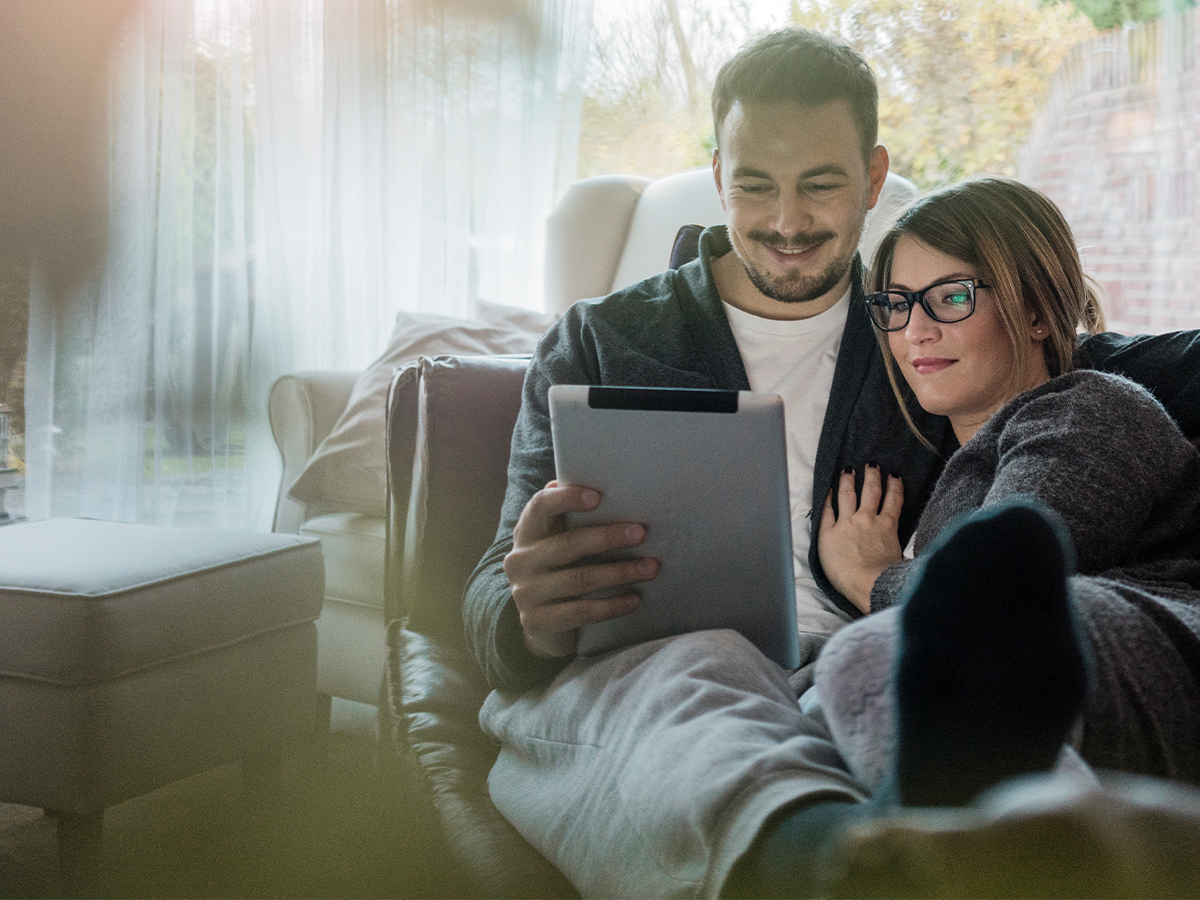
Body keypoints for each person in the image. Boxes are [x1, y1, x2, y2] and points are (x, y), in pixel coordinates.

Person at [463, 29, 1200, 898]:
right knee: (700, 670)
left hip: (866, 662)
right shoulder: (602, 341)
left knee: (906, 678)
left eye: (819, 185)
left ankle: (1017, 848)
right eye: (754, 187)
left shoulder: (919, 335)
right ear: (716, 177)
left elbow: (1076, 370)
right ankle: (844, 866)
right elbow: (491, 587)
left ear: (874, 178)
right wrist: (529, 614)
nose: (785, 222)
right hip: (660, 675)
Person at [812, 176, 1200, 804]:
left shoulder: (1088, 410)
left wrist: (871, 578)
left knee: (867, 659)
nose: (916, 330)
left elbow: (999, 596)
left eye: (952, 296)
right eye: (898, 303)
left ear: (1037, 311)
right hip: (1045, 679)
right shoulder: (947, 461)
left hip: (1148, 651)